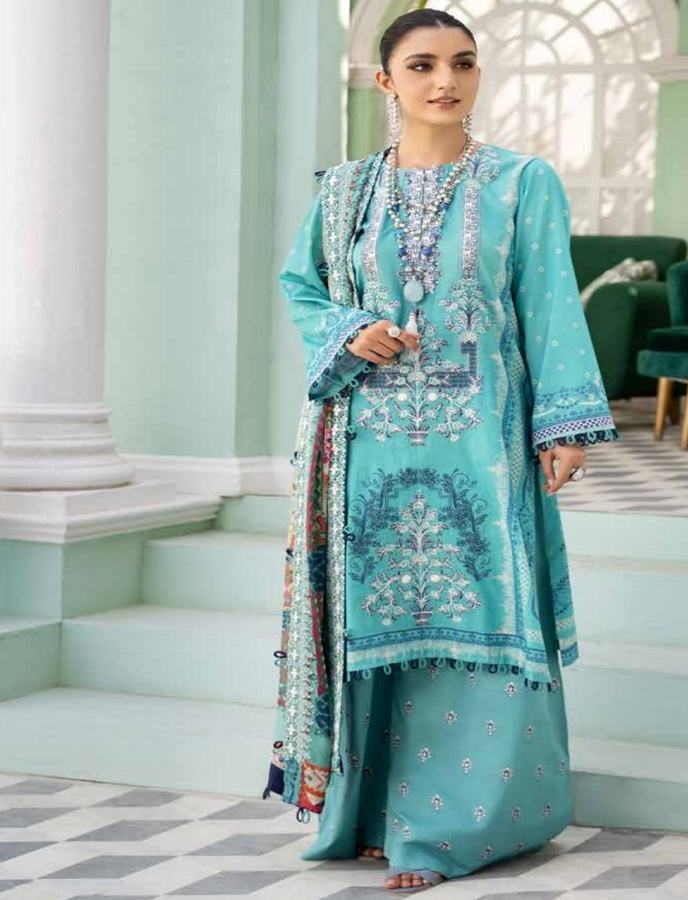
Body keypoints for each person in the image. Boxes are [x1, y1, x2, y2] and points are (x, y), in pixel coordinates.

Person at [264, 8, 619, 893]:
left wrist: (564, 425)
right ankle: (373, 817)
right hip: (363, 443)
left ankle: (460, 827)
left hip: (482, 443)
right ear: (386, 81)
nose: (445, 80)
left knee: (485, 611)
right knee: (374, 617)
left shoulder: (521, 183)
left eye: (462, 63)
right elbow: (303, 289)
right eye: (422, 65)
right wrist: (352, 331)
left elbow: (549, 301)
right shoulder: (345, 191)